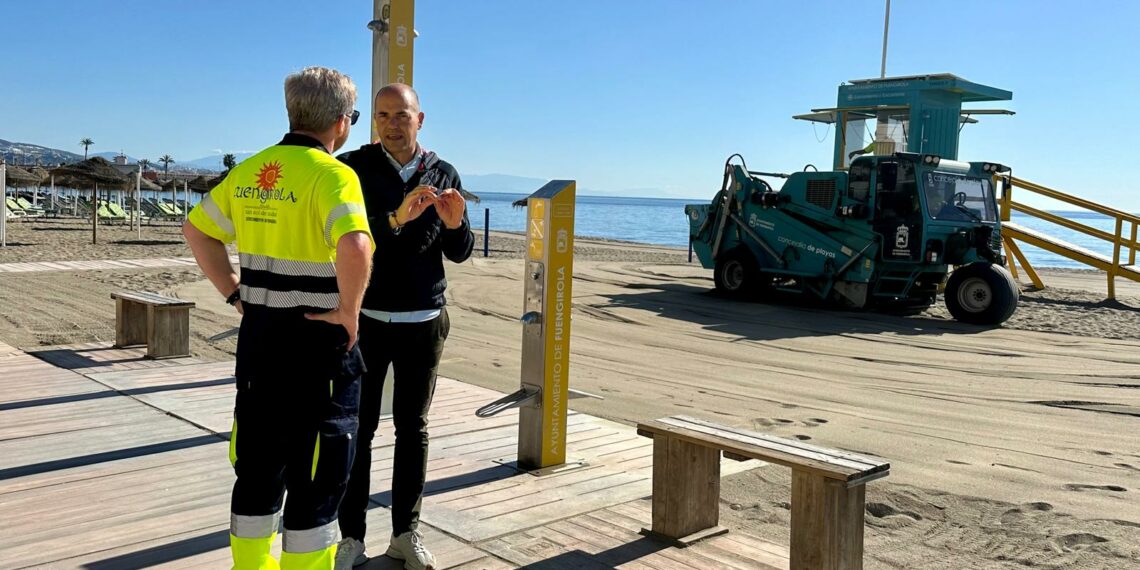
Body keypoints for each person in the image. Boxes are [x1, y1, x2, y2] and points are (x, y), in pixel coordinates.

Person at [183, 66, 374, 570]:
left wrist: (233, 292)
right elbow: (355, 244)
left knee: (258, 464)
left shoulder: (250, 171)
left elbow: (197, 230)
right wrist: (349, 311)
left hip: (260, 338)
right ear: (340, 122)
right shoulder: (333, 175)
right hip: (316, 341)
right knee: (319, 469)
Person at [334, 83, 473, 570]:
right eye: (383, 114)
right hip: (367, 320)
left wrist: (456, 226)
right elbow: (354, 240)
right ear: (373, 121)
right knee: (360, 429)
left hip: (425, 320)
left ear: (421, 119)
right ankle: (351, 537)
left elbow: (458, 252)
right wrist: (395, 217)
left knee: (413, 428)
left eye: (402, 114)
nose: (392, 123)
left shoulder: (442, 171)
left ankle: (405, 534)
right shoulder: (354, 168)